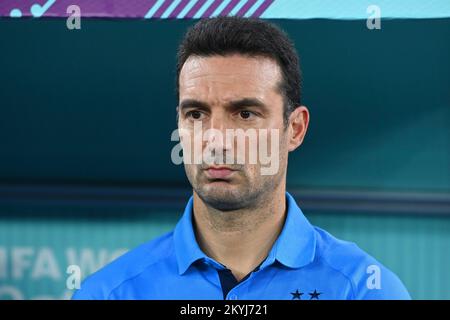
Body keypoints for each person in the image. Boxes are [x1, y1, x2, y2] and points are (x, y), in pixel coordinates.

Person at [72, 17, 410, 300]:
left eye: (245, 114)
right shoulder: (107, 293)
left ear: (294, 129)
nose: (216, 140)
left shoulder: (365, 290)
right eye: (196, 114)